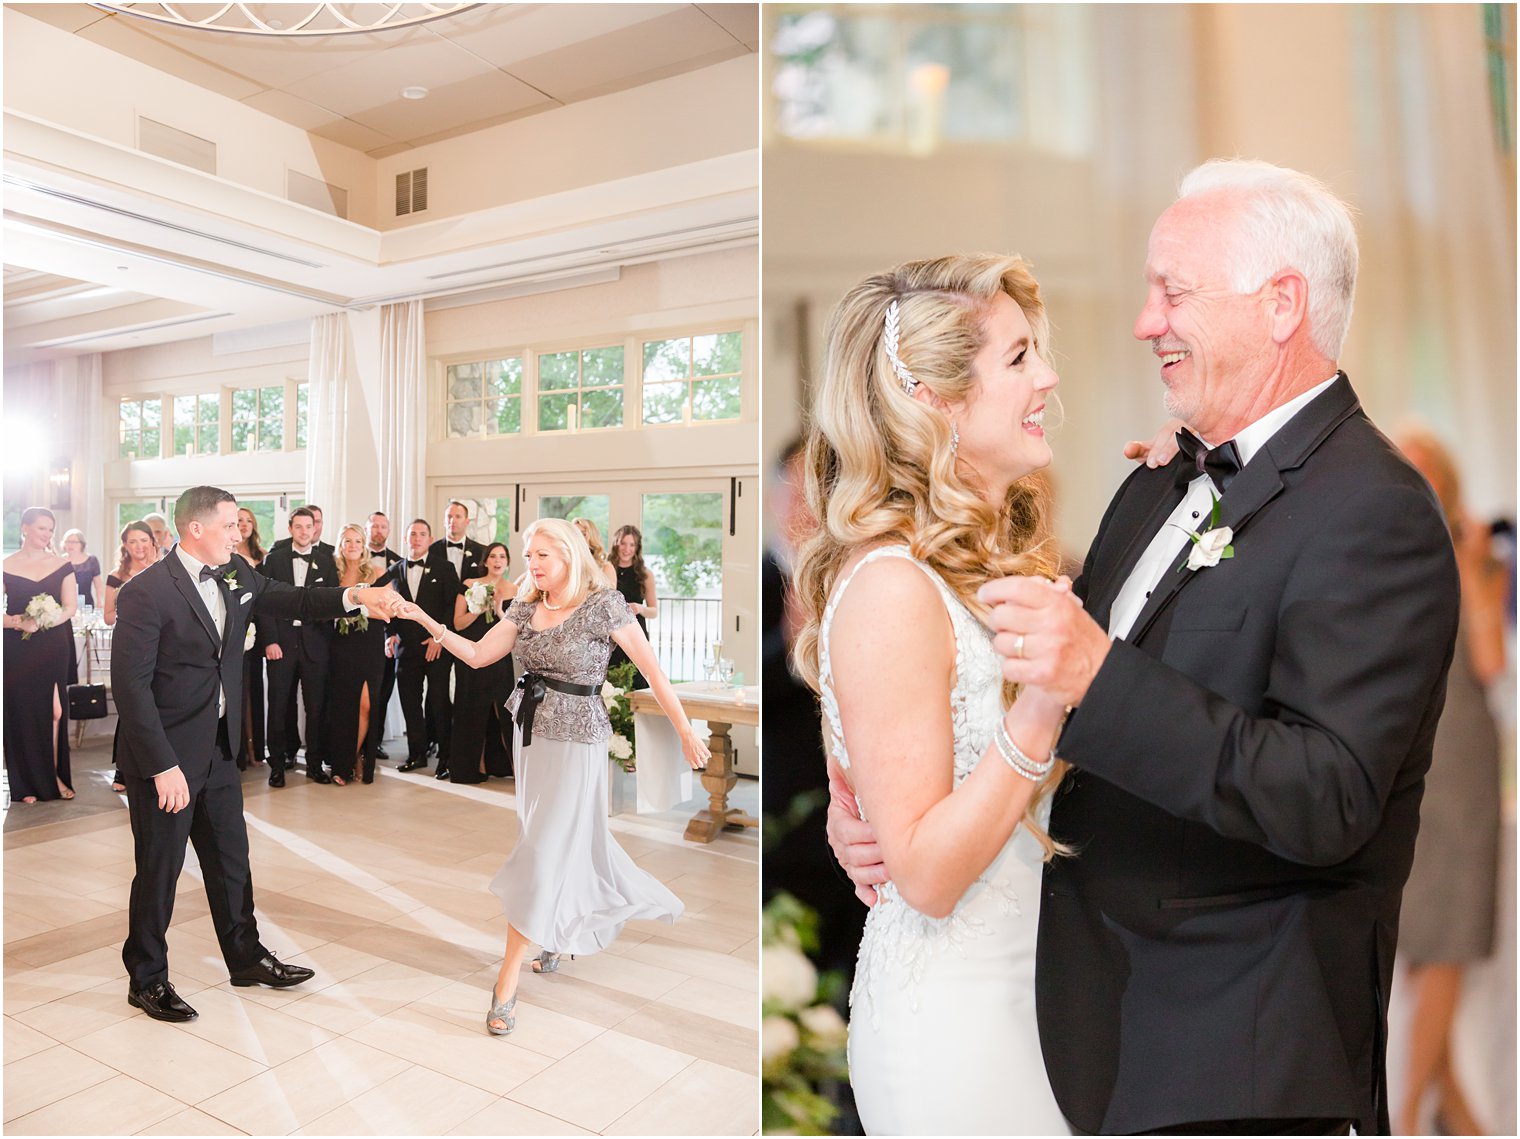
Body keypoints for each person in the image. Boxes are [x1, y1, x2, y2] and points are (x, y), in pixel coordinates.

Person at [829, 160, 1462, 1135]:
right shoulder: (1156, 482)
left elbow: (1328, 794)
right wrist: (875, 805)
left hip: (1226, 1062)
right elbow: (1008, 709)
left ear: (1279, 303)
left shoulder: (1370, 508)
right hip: (1075, 1027)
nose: (1142, 321)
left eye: (1170, 290)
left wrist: (1090, 681)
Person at [789, 255, 1071, 1134]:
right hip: (958, 1022)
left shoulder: (976, 563)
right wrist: (1042, 706)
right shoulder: (890, 586)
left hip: (1033, 993)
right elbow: (924, 873)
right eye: (1019, 357)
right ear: (939, 397)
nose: (1047, 378)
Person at [392, 517, 712, 1037]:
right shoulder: (525, 605)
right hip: (533, 736)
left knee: (542, 849)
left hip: (579, 740)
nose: (533, 564)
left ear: (568, 555)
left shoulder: (602, 604)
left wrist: (684, 730)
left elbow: (653, 671)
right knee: (545, 842)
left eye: (542, 554)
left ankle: (506, 984)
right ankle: (554, 933)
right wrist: (423, 619)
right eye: (529, 555)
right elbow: (477, 655)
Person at [111, 485, 399, 1023]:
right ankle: (146, 978)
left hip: (219, 751)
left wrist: (356, 596)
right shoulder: (145, 593)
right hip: (165, 760)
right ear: (196, 529)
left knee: (230, 864)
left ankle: (245, 959)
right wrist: (160, 766)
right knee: (159, 870)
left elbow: (293, 600)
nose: (237, 533)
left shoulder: (237, 573)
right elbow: (130, 689)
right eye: (228, 526)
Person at [1393, 426, 1505, 1137]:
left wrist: (1468, 565)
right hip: (1413, 768)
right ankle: (1458, 1117)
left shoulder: (1477, 558)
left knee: (1448, 949)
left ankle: (1404, 1118)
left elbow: (1492, 662)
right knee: (1423, 944)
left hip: (1463, 773)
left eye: (1423, 470)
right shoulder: (1394, 557)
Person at [258, 507, 340, 787]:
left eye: (309, 526)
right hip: (280, 644)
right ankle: (277, 766)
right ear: (291, 528)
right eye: (299, 527)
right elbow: (263, 602)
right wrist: (270, 640)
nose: (305, 532)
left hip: (315, 646)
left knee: (316, 707)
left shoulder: (327, 562)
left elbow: (331, 603)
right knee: (279, 705)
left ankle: (315, 764)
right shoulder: (274, 560)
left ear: (315, 529)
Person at [3, 506, 79, 803]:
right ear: (24, 528)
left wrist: (46, 620)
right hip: (17, 647)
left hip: (52, 644)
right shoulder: (6, 564)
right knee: (21, 711)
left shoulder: (62, 564)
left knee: (56, 711)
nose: (47, 534)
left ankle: (54, 775)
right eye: (41, 528)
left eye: (50, 529)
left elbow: (70, 607)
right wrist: (18, 622)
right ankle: (24, 785)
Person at [325, 524, 390, 786]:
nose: (352, 546)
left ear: (363, 546)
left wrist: (356, 607)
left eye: (357, 541)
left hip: (369, 644)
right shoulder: (333, 573)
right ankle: (342, 763)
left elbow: (388, 612)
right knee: (343, 706)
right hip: (340, 645)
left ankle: (356, 758)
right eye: (347, 541)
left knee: (366, 704)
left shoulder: (376, 573)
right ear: (340, 545)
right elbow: (325, 608)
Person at [394, 518, 459, 774]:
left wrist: (438, 637)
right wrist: (390, 634)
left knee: (439, 703)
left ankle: (445, 759)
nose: (417, 538)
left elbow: (451, 605)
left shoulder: (445, 567)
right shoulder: (395, 568)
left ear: (430, 539)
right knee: (410, 704)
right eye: (412, 534)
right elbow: (387, 605)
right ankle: (416, 754)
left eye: (422, 534)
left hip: (436, 648)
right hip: (406, 651)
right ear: (405, 538)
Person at [449, 541, 516, 784]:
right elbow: (458, 624)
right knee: (471, 709)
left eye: (502, 556)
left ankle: (509, 766)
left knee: (503, 712)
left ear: (507, 562)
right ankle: (470, 767)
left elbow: (517, 628)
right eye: (493, 556)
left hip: (499, 656)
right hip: (471, 654)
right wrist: (478, 608)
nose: (498, 561)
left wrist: (498, 609)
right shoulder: (468, 585)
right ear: (485, 561)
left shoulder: (515, 589)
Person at [104, 520, 160, 792]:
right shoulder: (117, 576)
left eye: (143, 540)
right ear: (125, 545)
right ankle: (123, 770)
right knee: (132, 704)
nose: (139, 546)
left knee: (157, 704)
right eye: (132, 541)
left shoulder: (164, 570)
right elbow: (107, 616)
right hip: (130, 645)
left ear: (152, 541)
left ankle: (158, 764)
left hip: (162, 645)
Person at [365, 510, 402, 762]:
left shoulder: (398, 562)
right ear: (367, 529)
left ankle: (373, 742)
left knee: (381, 692)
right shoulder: (350, 558)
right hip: (355, 634)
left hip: (386, 634)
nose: (378, 531)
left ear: (388, 531)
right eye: (374, 526)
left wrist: (394, 633)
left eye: (383, 527)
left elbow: (399, 602)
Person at [234, 508, 268, 771]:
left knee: (252, 689)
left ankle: (255, 748)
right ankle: (236, 753)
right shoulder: (222, 554)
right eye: (239, 520)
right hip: (231, 628)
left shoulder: (261, 556)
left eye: (249, 521)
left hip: (254, 629)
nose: (244, 525)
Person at [608, 524, 657, 690]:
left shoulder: (645, 574)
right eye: (623, 543)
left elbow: (654, 611)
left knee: (636, 682)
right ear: (616, 544)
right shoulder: (607, 569)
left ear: (637, 548)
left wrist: (640, 608)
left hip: (636, 633)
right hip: (611, 634)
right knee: (611, 682)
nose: (627, 549)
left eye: (632, 544)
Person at [572, 517, 618, 587]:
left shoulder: (606, 568)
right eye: (575, 533)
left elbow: (611, 596)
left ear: (592, 538)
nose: (578, 538)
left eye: (583, 534)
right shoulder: (565, 565)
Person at [61, 529, 101, 609]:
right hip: (66, 604)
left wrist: (99, 601)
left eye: (74, 542)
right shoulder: (60, 561)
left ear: (82, 544)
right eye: (67, 542)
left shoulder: (92, 560)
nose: (70, 545)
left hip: (87, 604)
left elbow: (98, 585)